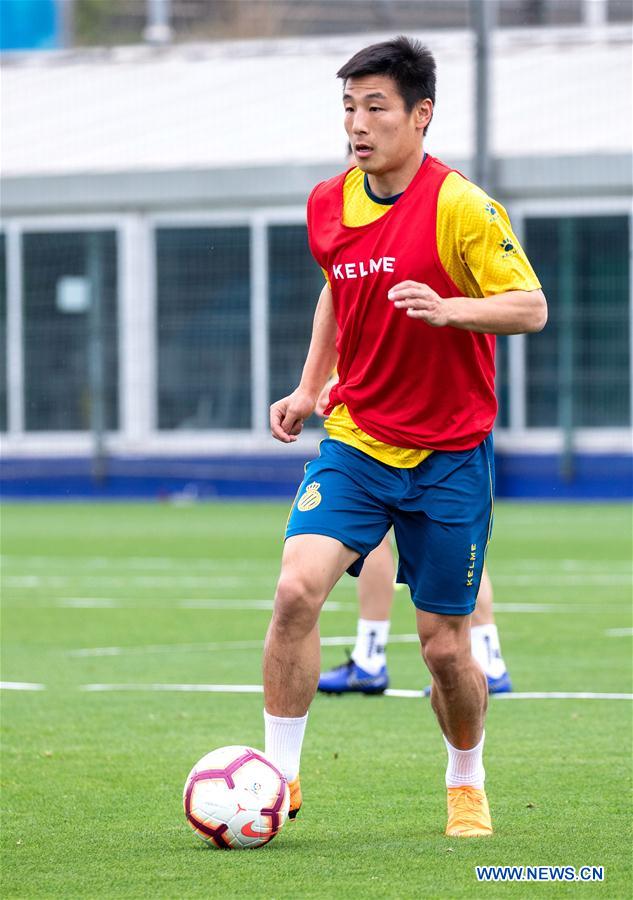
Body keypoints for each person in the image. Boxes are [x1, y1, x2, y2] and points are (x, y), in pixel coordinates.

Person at [264, 36, 546, 837]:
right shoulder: (328, 203)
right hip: (355, 441)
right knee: (294, 592)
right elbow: (335, 290)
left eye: (374, 107)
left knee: (445, 648)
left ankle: (465, 778)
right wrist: (310, 385)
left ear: (421, 115)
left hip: (450, 454)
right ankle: (277, 780)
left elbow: (529, 307)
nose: (357, 124)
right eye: (348, 107)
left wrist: (453, 307)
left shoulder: (461, 205)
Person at [315, 382, 512, 697]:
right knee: (425, 542)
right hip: (384, 415)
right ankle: (373, 654)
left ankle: (374, 656)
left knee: (450, 545)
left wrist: (337, 380)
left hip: (424, 421)